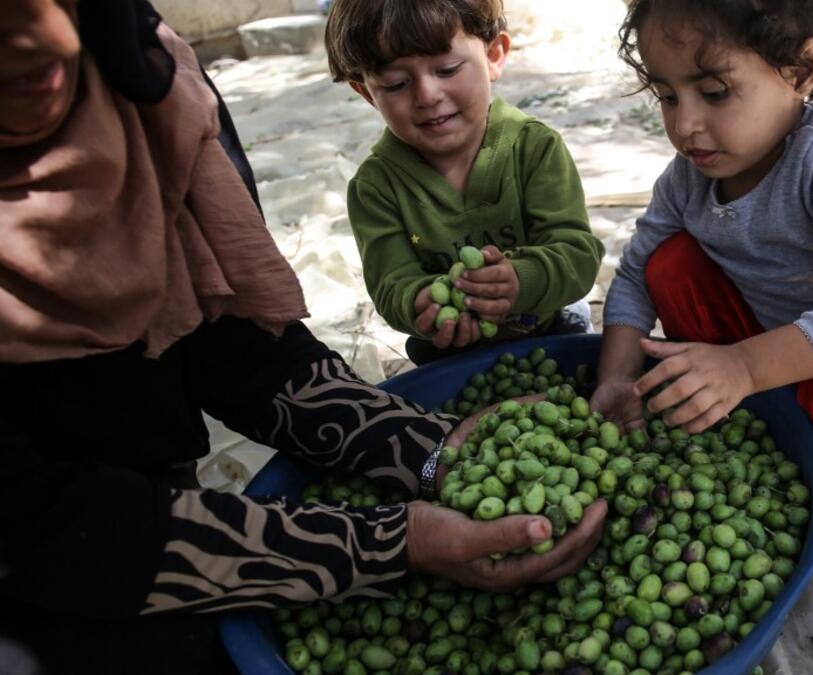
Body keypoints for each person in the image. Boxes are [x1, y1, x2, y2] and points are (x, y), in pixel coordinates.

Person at [0, 2, 605, 673]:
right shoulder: (380, 182)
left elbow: (236, 348)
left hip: (146, 503)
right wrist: (388, 542)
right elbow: (43, 526)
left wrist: (429, 449)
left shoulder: (148, 82)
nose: (26, 35)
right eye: (397, 82)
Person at [592, 0, 813, 536]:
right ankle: (754, 404)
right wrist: (617, 377)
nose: (686, 124)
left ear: (801, 71)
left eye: (714, 92)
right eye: (667, 96)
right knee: (668, 265)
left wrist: (743, 368)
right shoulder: (690, 175)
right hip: (759, 339)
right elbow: (637, 273)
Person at [325, 0, 605, 366]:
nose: (427, 96)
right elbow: (392, 284)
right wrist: (422, 302)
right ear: (366, 93)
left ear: (494, 56)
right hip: (446, 352)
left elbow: (578, 254)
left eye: (447, 69)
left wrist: (520, 279)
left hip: (551, 331)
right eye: (396, 84)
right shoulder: (376, 187)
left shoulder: (534, 148)